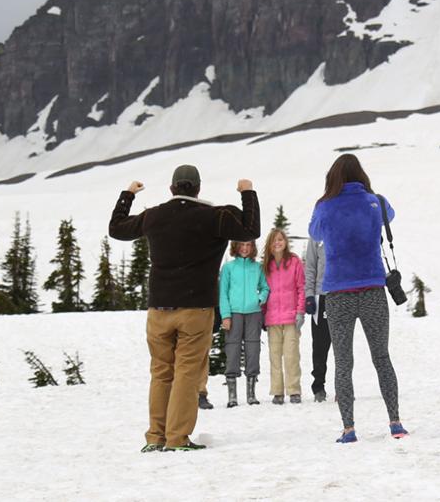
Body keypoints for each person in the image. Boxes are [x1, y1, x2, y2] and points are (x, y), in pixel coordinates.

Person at [109, 165, 260, 452]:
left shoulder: (154, 216)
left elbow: (116, 229)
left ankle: (156, 436)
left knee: (161, 372)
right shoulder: (215, 216)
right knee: (187, 372)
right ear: (199, 188)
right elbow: (251, 229)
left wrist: (128, 195)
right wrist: (247, 192)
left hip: (159, 308)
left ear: (172, 188)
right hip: (196, 308)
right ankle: (178, 438)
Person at [308, 153, 407, 443]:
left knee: (343, 361)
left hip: (338, 292)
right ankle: (395, 422)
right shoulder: (376, 201)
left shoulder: (324, 207)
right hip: (373, 288)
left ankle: (349, 429)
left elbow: (314, 233)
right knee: (382, 357)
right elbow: (390, 216)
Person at [219, 239, 269, 407]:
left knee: (253, 349)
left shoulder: (257, 267)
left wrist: (260, 299)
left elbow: (265, 287)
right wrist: (225, 315)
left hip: (254, 313)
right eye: (242, 245)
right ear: (236, 246)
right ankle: (232, 395)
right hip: (233, 314)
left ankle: (251, 394)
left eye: (248, 245)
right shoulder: (228, 268)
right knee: (232, 349)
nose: (245, 248)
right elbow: (223, 294)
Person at [262, 227, 305, 404]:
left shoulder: (294, 262)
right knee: (274, 356)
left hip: (290, 317)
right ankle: (277, 391)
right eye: (274, 241)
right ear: (270, 245)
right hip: (272, 318)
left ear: (285, 242)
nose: (277, 243)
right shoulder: (266, 265)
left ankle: (294, 390)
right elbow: (263, 291)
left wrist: (300, 312)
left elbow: (301, 288)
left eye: (280, 239)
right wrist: (262, 315)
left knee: (291, 355)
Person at [303, 235, 331, 403]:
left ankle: (344, 386)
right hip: (322, 296)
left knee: (343, 346)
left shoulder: (343, 227)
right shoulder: (316, 236)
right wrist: (309, 295)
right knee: (320, 345)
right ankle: (319, 386)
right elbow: (311, 267)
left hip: (342, 295)